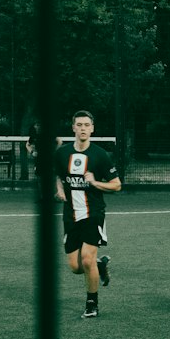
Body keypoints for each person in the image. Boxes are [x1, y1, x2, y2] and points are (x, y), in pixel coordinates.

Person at [54, 110, 121, 319]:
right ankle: (100, 267)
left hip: (94, 213)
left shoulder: (100, 155)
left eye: (86, 125)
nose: (83, 128)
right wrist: (59, 190)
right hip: (70, 215)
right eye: (79, 125)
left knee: (86, 258)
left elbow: (117, 185)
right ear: (73, 128)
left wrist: (95, 182)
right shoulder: (62, 153)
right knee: (75, 267)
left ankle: (92, 304)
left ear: (92, 128)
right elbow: (58, 175)